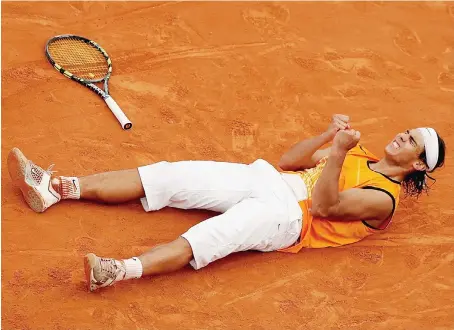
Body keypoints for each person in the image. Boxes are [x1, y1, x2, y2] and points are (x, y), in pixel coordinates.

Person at [7, 114, 446, 292]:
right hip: (268, 179)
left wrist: (335, 156)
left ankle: (117, 271)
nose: (402, 136)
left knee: (208, 238)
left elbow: (326, 207)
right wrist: (330, 138)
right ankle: (56, 188)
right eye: (408, 132)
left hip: (288, 218)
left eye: (412, 142)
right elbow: (289, 161)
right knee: (170, 174)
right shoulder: (360, 154)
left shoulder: (383, 201)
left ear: (419, 168)